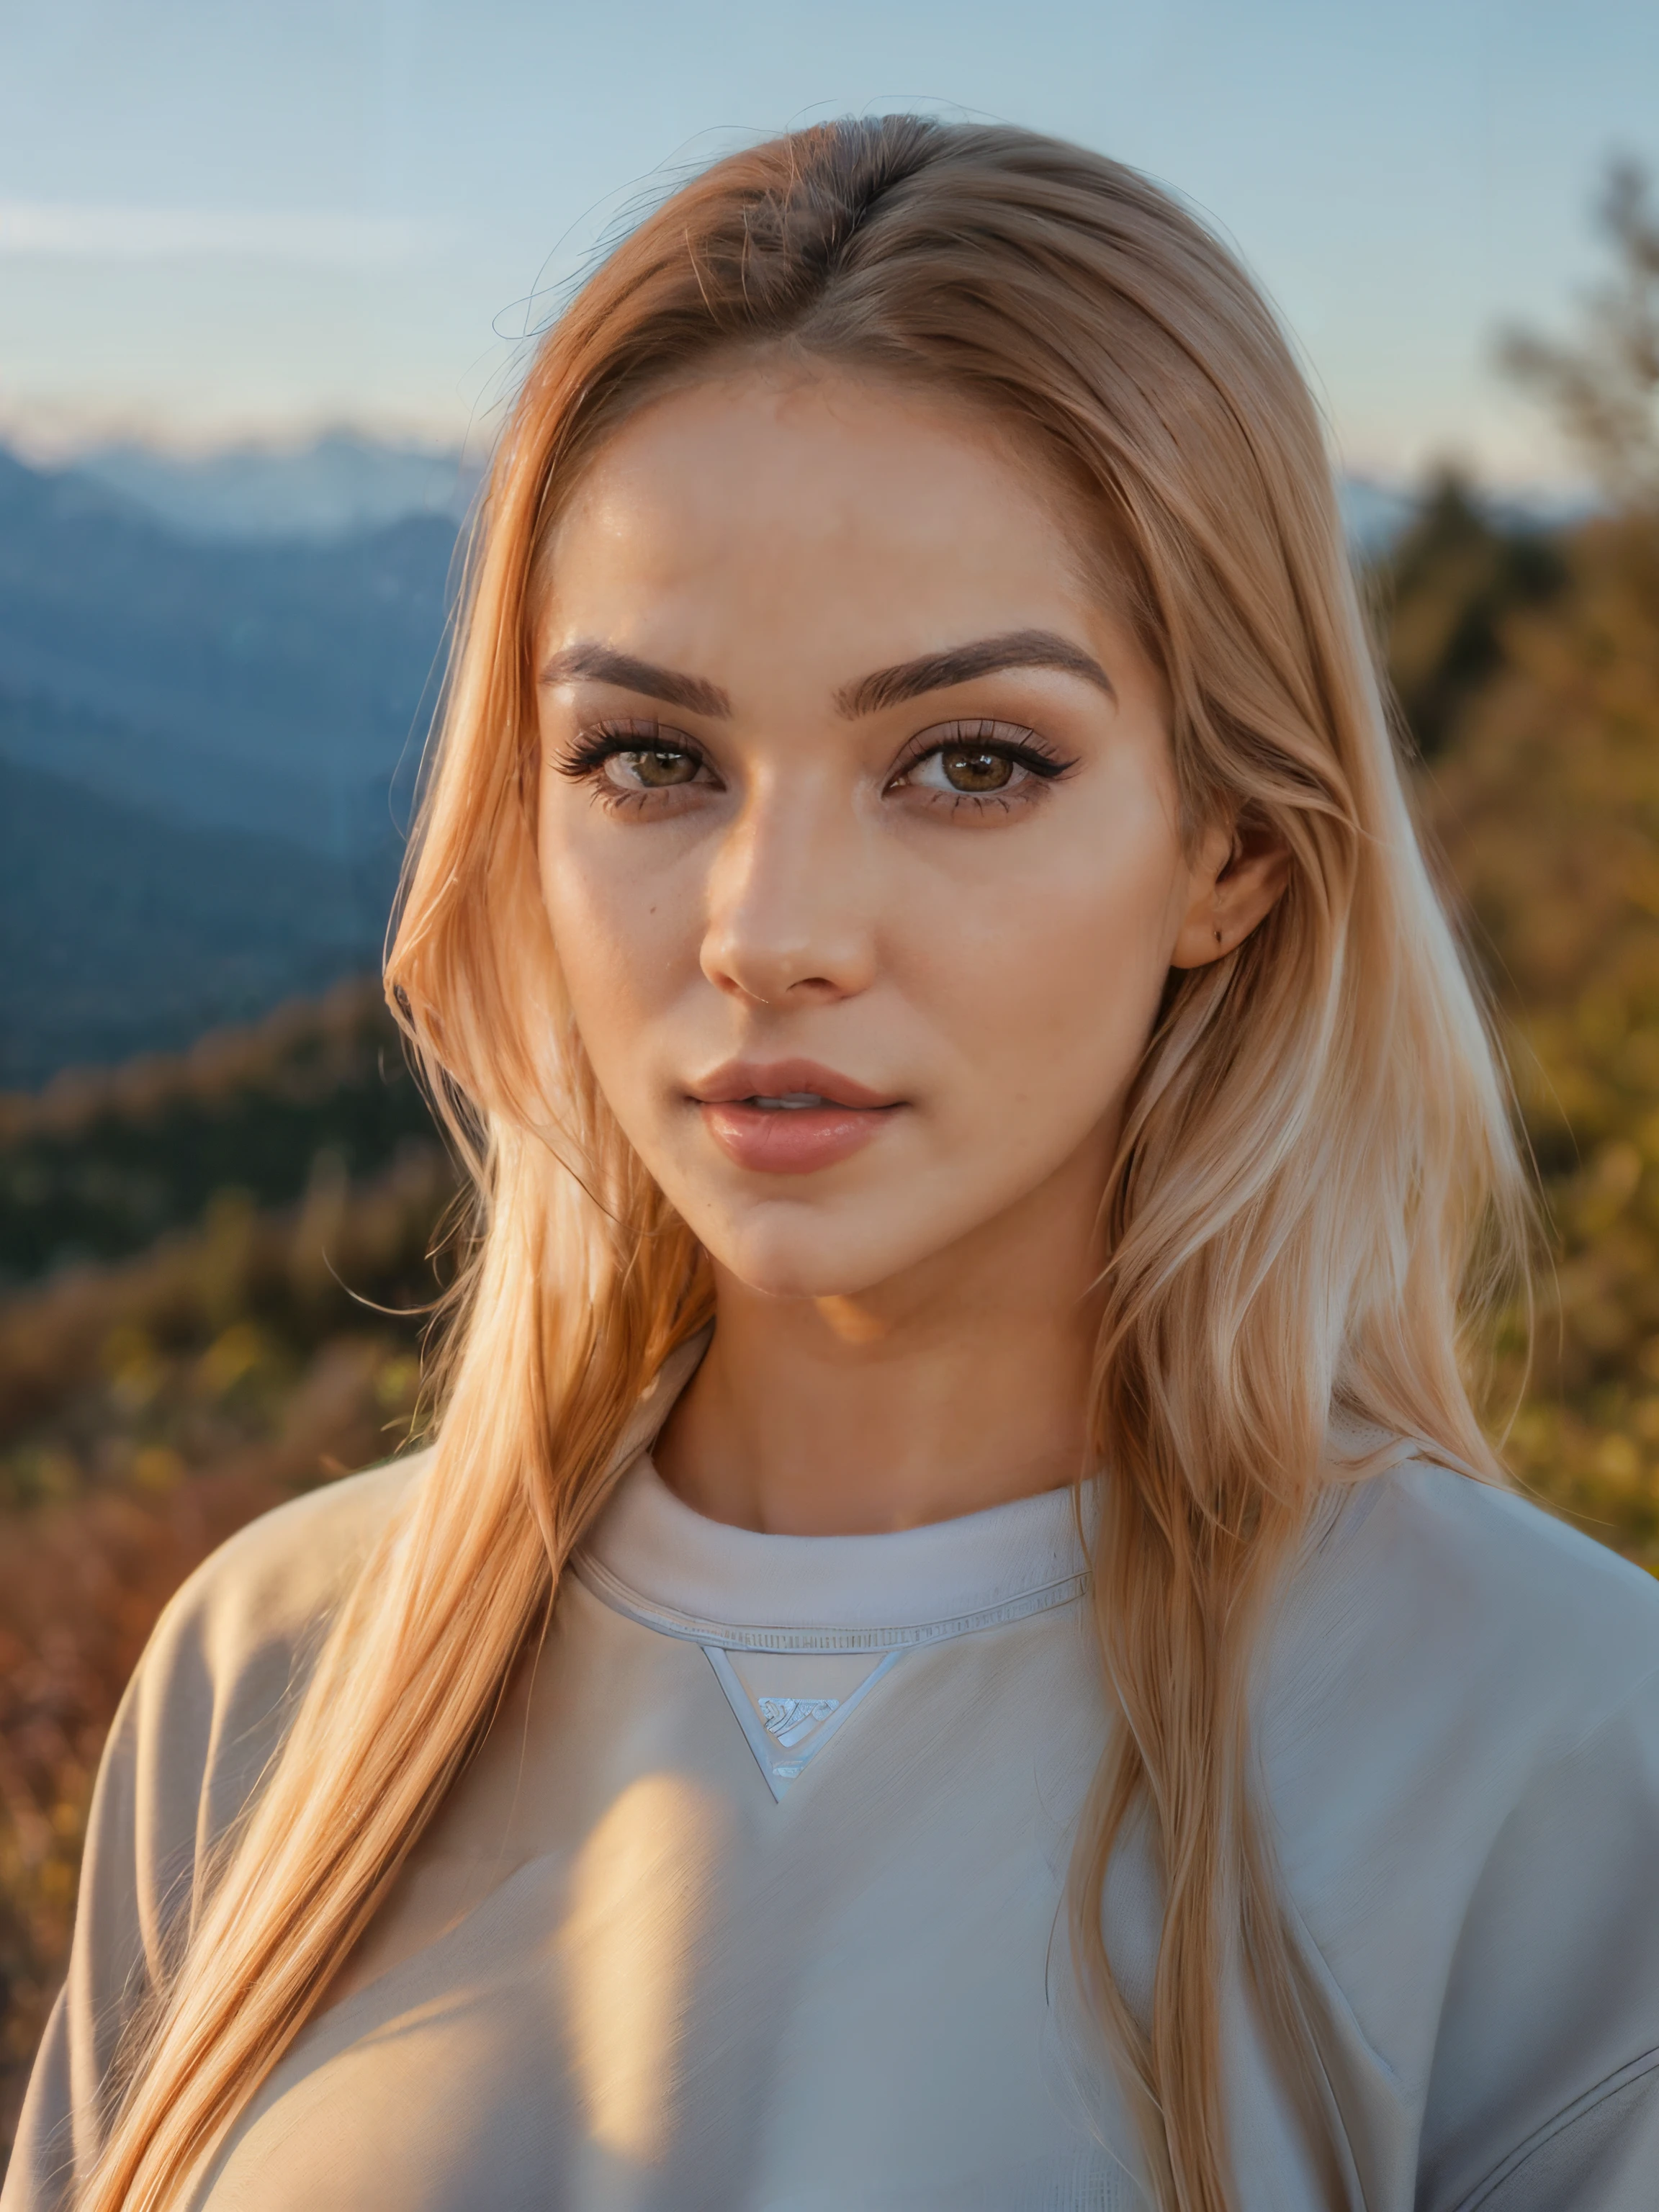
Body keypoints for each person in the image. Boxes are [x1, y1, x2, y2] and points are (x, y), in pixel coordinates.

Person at [6, 115, 1659, 2212]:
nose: (770, 926)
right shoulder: (273, 1676)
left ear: (1230, 855)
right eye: (652, 760)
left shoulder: (1560, 1759)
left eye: (970, 764)